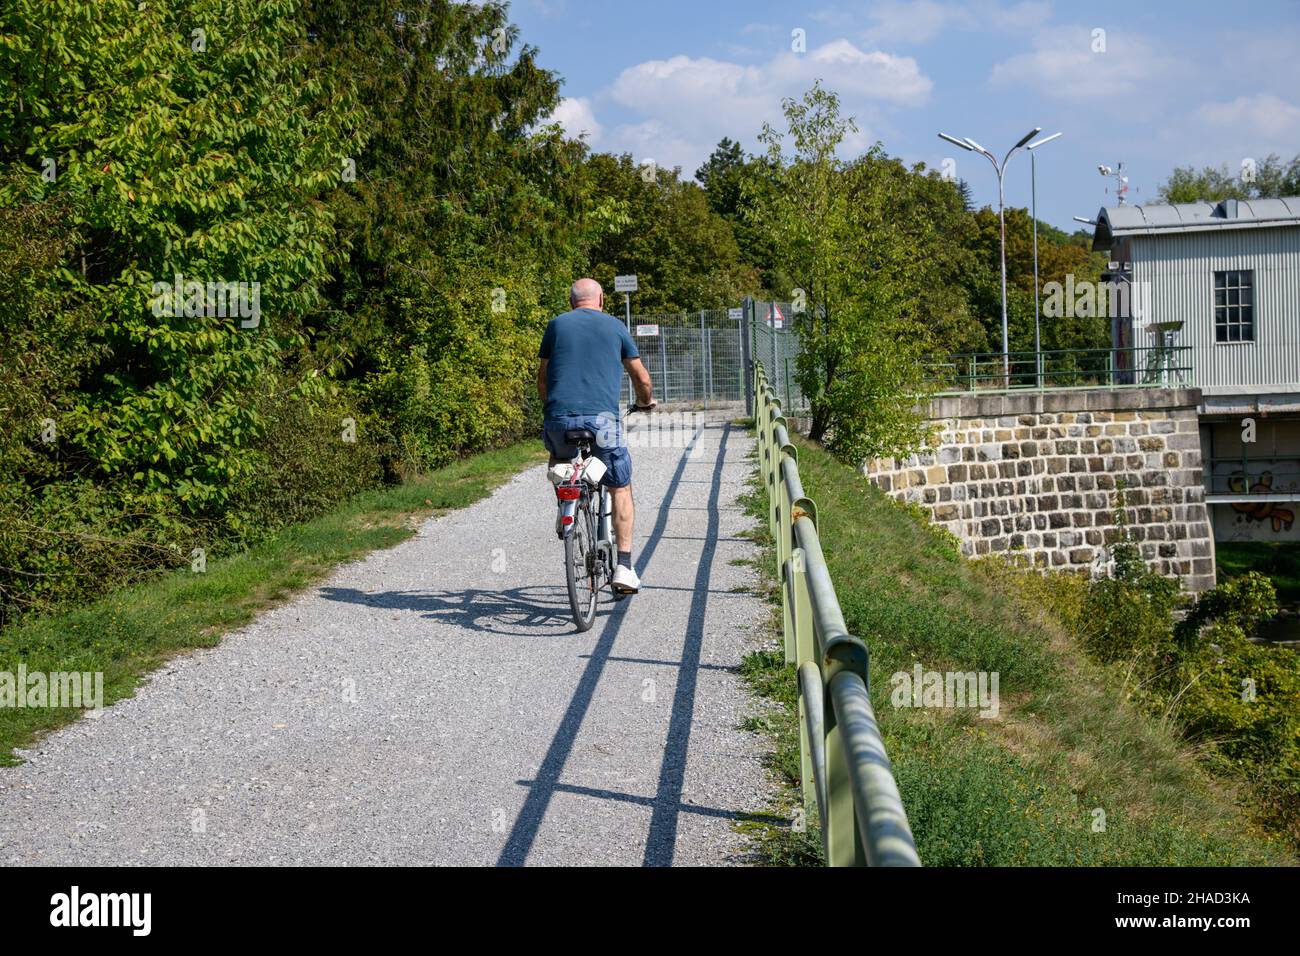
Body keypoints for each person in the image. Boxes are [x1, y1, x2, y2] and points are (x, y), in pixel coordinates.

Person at [537, 278, 655, 594]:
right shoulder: (614, 326)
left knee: (560, 455)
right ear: (601, 298)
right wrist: (645, 401)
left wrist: (552, 410)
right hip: (602, 423)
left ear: (570, 299)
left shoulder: (556, 326)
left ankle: (566, 501)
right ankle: (625, 568)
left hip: (560, 419)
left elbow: (543, 377)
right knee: (620, 485)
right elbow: (641, 378)